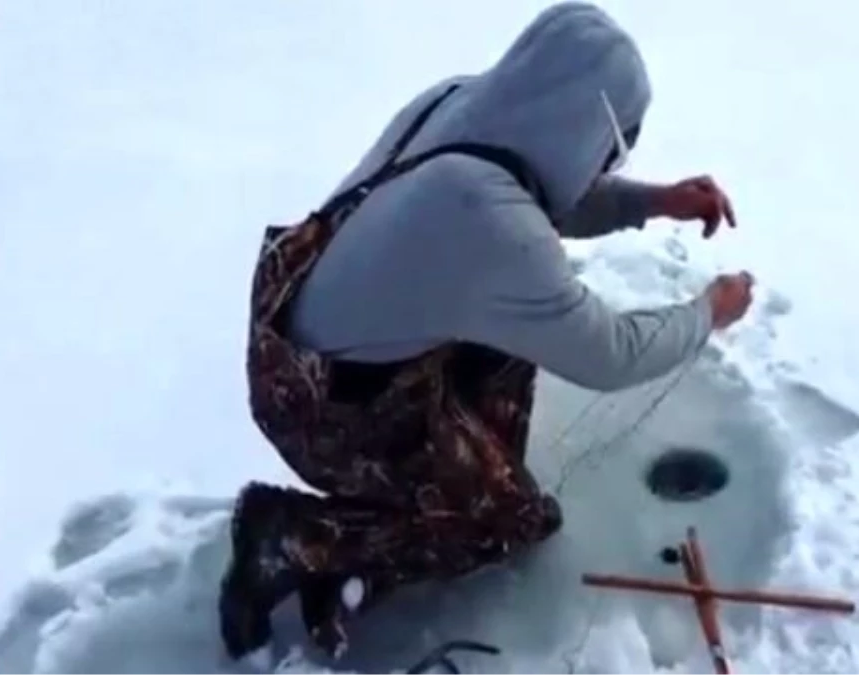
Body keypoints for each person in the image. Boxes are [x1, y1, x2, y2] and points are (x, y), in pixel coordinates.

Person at [219, 0, 755, 661]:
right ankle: (297, 536)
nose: (605, 167)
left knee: (514, 329)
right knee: (506, 523)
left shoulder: (459, 101)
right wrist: (710, 310)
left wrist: (654, 201)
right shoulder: (486, 221)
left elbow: (543, 190)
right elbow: (611, 355)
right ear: (585, 128)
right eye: (611, 151)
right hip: (320, 402)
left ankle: (452, 471)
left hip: (312, 324)